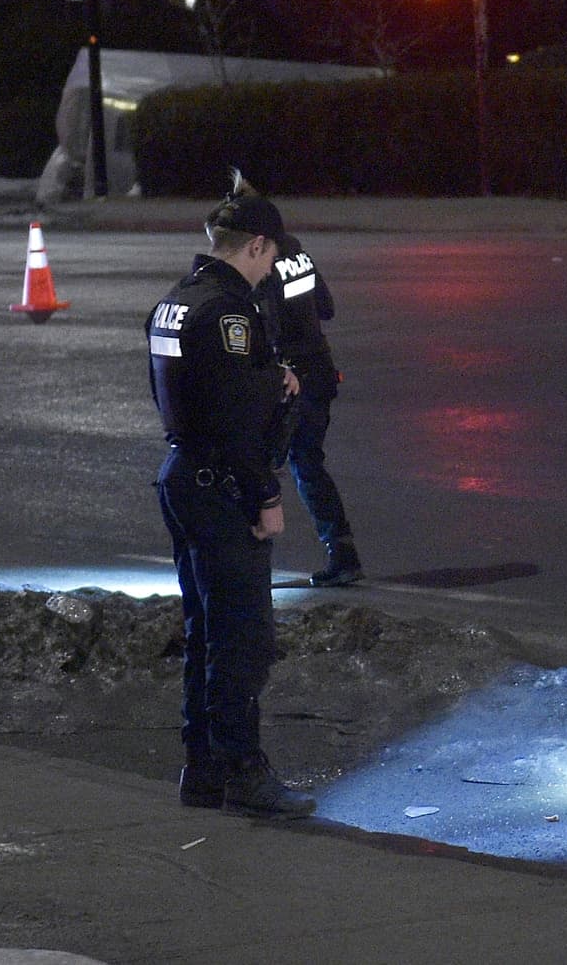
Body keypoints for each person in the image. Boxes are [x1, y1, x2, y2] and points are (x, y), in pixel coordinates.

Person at [147, 182, 315, 818]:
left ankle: (204, 769)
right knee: (242, 638)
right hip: (222, 488)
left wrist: (266, 378)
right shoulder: (230, 313)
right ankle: (244, 771)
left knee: (205, 632)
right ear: (257, 245)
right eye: (271, 257)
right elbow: (238, 421)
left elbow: (184, 392)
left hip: (183, 476)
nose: (273, 269)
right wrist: (266, 494)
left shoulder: (175, 303)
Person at [259, 215, 364, 589]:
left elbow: (267, 325)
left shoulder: (261, 260)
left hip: (289, 378)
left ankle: (253, 567)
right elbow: (327, 307)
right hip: (320, 370)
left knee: (259, 468)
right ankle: (343, 553)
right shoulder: (297, 252)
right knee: (308, 465)